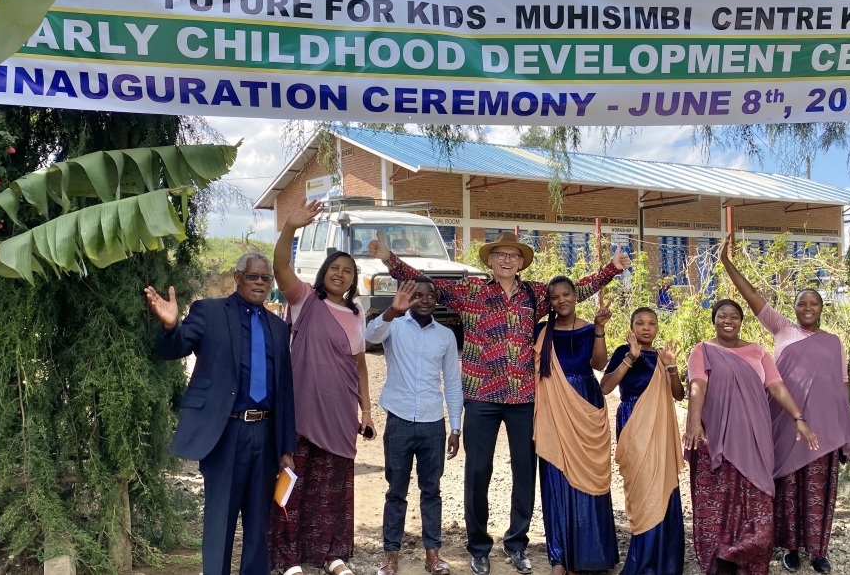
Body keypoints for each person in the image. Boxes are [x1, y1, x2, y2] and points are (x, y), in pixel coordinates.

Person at [369, 232, 631, 575]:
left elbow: (576, 290)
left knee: (524, 473)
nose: (506, 261)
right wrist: (389, 258)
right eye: (500, 256)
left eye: (513, 256)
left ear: (520, 262)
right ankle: (478, 547)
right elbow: (424, 284)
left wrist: (610, 268)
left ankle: (517, 544)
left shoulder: (536, 295)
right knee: (478, 473)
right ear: (490, 262)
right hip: (480, 397)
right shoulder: (472, 291)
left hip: (523, 398)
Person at [145, 253, 297, 575]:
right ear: (237, 276)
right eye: (253, 276)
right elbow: (175, 348)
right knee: (220, 521)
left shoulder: (278, 328)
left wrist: (286, 449)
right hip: (225, 434)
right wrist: (171, 325)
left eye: (265, 279)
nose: (259, 283)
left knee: (258, 524)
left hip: (266, 434)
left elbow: (285, 391)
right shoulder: (210, 312)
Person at [720, 236, 850, 573]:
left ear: (822, 308)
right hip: (785, 423)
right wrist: (727, 263)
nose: (807, 308)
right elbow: (752, 297)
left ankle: (819, 550)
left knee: (819, 491)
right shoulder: (782, 329)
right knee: (788, 487)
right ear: (794, 308)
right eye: (802, 303)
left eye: (813, 303)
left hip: (824, 431)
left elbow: (841, 386)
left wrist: (848, 432)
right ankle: (791, 548)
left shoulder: (833, 342)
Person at [270, 201, 375, 575]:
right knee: (292, 484)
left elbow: (360, 365)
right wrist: (290, 228)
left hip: (340, 415)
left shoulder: (357, 314)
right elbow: (280, 265)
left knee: (334, 490)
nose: (340, 274)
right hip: (300, 412)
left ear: (353, 279)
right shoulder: (304, 300)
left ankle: (333, 555)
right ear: (323, 272)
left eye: (348, 271)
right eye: (335, 268)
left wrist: (366, 410)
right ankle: (287, 559)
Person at [685, 300, 819, 575]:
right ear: (714, 320)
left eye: (734, 316)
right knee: (718, 501)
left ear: (741, 321)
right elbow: (697, 385)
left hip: (755, 438)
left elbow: (776, 386)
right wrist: (693, 422)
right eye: (722, 316)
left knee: (759, 497)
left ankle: (743, 552)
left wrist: (799, 417)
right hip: (717, 438)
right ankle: (719, 554)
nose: (728, 321)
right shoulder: (703, 350)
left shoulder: (758, 351)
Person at [366, 278, 463, 575]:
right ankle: (390, 555)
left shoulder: (445, 336)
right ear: (407, 298)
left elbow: (452, 382)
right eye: (417, 295)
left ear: (437, 299)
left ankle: (433, 554)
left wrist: (455, 427)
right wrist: (391, 312)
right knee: (396, 491)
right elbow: (367, 335)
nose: (423, 299)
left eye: (429, 295)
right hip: (399, 419)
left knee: (431, 490)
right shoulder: (393, 326)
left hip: (433, 423)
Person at [532, 276, 618, 575]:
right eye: (555, 297)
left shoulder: (586, 328)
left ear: (575, 296)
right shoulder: (543, 331)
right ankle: (560, 557)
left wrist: (599, 330)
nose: (561, 301)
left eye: (566, 294)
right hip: (554, 409)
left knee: (589, 478)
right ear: (550, 302)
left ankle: (590, 556)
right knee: (556, 477)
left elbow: (598, 363)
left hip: (585, 403)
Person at [600, 308, 685, 575]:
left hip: (660, 427)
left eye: (651, 323)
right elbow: (605, 387)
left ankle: (665, 563)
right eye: (640, 323)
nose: (646, 328)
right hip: (633, 423)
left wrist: (671, 366)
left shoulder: (662, 356)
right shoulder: (623, 351)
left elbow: (678, 395)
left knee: (662, 487)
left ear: (657, 327)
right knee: (642, 490)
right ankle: (643, 561)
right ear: (632, 326)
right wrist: (630, 358)